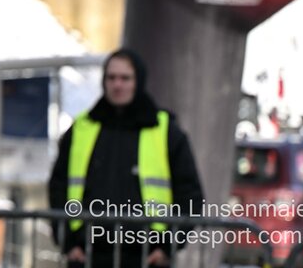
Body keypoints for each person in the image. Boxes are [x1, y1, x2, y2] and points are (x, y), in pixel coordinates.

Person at [48, 49, 204, 268]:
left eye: (125, 78)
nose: (117, 85)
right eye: (111, 78)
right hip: (88, 253)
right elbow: (58, 188)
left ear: (138, 81)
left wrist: (167, 247)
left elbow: (190, 195)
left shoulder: (165, 131)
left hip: (146, 255)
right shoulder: (82, 128)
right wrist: (68, 243)